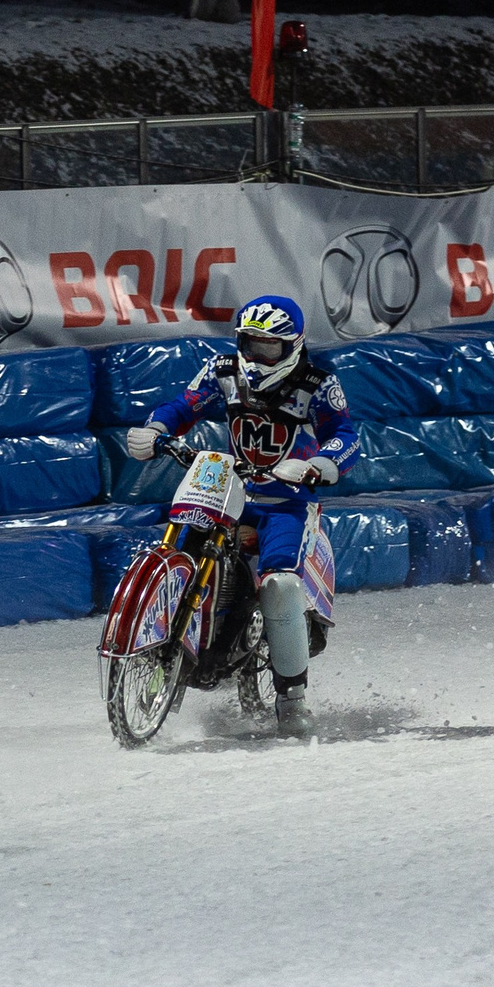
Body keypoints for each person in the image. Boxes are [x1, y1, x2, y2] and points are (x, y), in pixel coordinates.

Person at [123, 295, 359, 734]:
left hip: (286, 502)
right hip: (230, 485)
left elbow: (345, 436)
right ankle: (171, 635)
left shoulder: (319, 385)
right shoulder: (223, 370)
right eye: (249, 343)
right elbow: (185, 404)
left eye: (268, 347)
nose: (256, 355)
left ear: (293, 345)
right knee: (184, 537)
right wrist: (157, 429)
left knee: (280, 586)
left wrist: (318, 465)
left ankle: (292, 700)